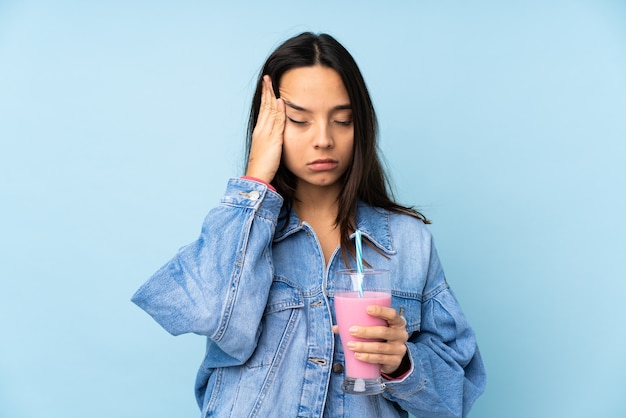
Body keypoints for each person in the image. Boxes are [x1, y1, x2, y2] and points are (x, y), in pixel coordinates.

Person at [132, 32, 486, 417]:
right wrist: (254, 181)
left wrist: (402, 363)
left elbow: (457, 398)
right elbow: (205, 311)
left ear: (360, 126)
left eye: (342, 120)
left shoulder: (407, 242)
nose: (324, 140)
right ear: (269, 126)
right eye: (299, 121)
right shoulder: (240, 233)